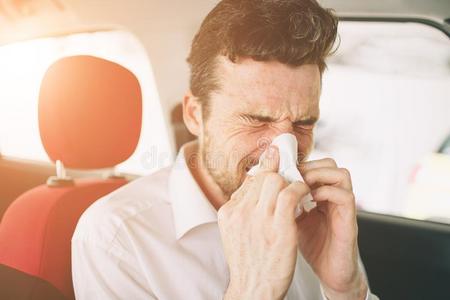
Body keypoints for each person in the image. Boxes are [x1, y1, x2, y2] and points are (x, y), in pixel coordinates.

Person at [72, 0, 379, 299]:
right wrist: (253, 291)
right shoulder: (117, 238)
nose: (283, 149)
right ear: (194, 114)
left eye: (304, 123)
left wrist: (347, 291)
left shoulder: (315, 217)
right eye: (256, 120)